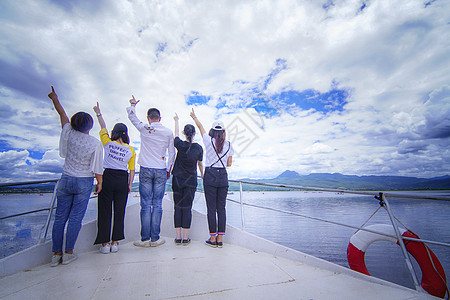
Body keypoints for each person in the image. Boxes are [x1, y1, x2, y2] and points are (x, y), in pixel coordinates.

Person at [47, 86, 103, 266]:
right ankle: (69, 252)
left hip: (66, 178)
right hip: (84, 181)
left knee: (60, 218)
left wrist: (55, 99)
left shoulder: (69, 133)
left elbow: (62, 115)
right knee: (76, 218)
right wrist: (99, 182)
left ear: (73, 124)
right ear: (90, 126)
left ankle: (56, 255)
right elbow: (97, 167)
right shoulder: (94, 143)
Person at [127, 96, 175, 247]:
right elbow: (172, 153)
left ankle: (144, 239)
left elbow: (132, 117)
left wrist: (133, 105)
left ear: (148, 118)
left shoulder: (144, 128)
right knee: (158, 204)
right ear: (160, 118)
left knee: (145, 204)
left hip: (146, 169)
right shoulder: (168, 132)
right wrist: (168, 168)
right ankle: (155, 238)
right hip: (161, 169)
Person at [93, 102, 136, 254]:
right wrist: (130, 185)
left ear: (115, 132)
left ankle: (105, 244)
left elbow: (102, 127)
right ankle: (115, 242)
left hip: (108, 177)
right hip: (122, 180)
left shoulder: (107, 143)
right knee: (119, 211)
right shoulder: (130, 149)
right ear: (125, 133)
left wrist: (99, 113)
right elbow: (132, 170)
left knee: (104, 211)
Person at [190, 109, 233, 248]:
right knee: (222, 208)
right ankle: (220, 239)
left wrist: (194, 116)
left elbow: (200, 127)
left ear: (212, 131)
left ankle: (212, 238)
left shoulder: (208, 141)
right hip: (223, 176)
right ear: (224, 132)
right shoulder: (229, 145)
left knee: (211, 208)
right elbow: (229, 164)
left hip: (210, 174)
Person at [172, 113, 204, 246]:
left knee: (177, 208)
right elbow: (200, 164)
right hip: (191, 182)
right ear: (194, 133)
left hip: (178, 180)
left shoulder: (180, 145)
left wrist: (176, 120)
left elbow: (175, 136)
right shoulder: (198, 148)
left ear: (184, 133)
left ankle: (178, 238)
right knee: (187, 208)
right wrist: (203, 174)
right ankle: (185, 238)